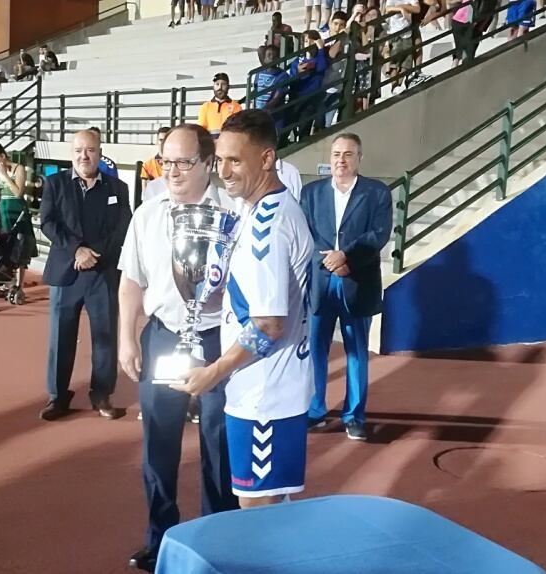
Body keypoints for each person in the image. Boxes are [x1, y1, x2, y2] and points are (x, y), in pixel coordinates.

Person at [174, 110, 314, 508]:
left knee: (259, 519)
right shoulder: (256, 211)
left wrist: (212, 374)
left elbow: (269, 324)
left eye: (236, 160)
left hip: (265, 397)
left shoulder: (267, 224)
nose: (224, 170)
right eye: (220, 159)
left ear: (267, 159)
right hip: (260, 390)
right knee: (267, 514)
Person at [119, 124, 239, 573]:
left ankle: (217, 538)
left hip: (218, 337)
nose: (172, 170)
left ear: (208, 164)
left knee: (219, 439)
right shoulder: (148, 214)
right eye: (166, 161)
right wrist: (128, 337)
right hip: (164, 334)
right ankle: (160, 537)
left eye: (183, 162)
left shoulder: (234, 212)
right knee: (158, 443)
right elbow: (131, 281)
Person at [298, 133, 392, 441]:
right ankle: (315, 410)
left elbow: (379, 234)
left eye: (348, 154)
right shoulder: (311, 193)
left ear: (359, 158)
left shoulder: (377, 193)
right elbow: (304, 234)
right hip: (319, 284)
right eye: (337, 154)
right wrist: (327, 260)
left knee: (356, 353)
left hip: (356, 281)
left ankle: (354, 415)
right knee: (316, 352)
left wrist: (346, 258)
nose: (341, 159)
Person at [39, 130, 132, 421]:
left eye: (90, 150)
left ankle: (102, 396)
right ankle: (57, 398)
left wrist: (95, 254)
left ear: (99, 152)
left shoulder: (118, 188)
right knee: (61, 337)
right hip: (67, 272)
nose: (84, 156)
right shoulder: (55, 184)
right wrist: (76, 251)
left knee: (105, 338)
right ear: (71, 153)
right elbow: (47, 222)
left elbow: (122, 227)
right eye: (79, 150)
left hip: (102, 273)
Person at [0, 143, 38, 291]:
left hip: (18, 210)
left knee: (20, 247)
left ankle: (18, 285)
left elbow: (18, 193)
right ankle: (7, 281)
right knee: (5, 246)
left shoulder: (19, 168)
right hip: (4, 210)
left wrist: (5, 175)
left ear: (2, 156)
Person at [287, 30, 330, 141]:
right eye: (306, 41)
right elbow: (291, 77)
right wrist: (297, 72)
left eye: (312, 41)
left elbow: (322, 67)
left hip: (312, 98)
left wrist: (321, 49)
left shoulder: (320, 57)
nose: (309, 44)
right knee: (288, 124)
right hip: (297, 97)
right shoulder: (298, 60)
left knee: (307, 125)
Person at [197, 73, 243, 138]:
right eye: (217, 84)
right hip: (211, 144)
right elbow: (201, 130)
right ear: (213, 86)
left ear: (228, 87)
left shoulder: (236, 107)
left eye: (223, 84)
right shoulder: (205, 107)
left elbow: (238, 130)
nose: (220, 88)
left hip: (228, 144)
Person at [140, 127, 170, 194]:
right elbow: (145, 195)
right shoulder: (147, 165)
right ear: (157, 142)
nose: (163, 143)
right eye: (161, 140)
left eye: (166, 140)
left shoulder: (179, 163)